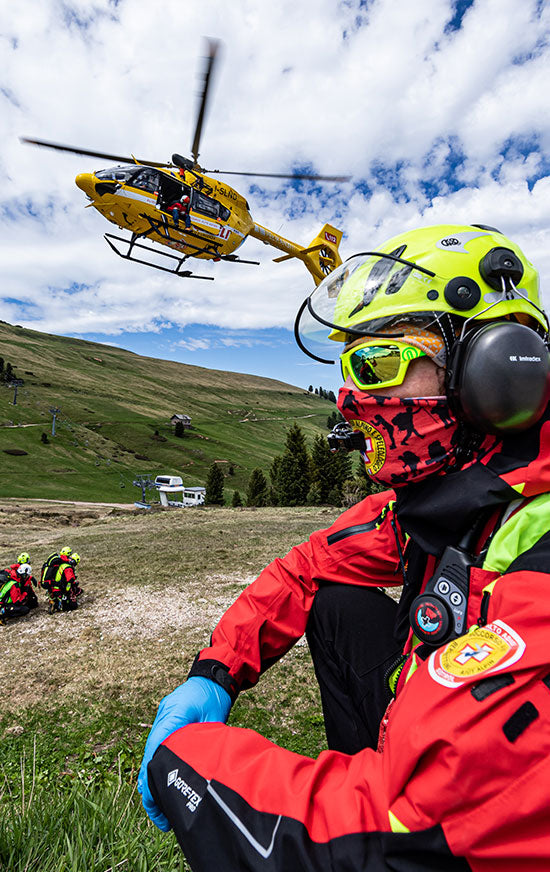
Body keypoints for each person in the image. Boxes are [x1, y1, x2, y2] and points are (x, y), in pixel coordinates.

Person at [139, 224, 550, 870]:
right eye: (350, 368)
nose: (353, 399)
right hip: (429, 716)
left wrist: (184, 762)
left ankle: (386, 768)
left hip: (464, 812)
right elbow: (307, 568)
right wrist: (214, 673)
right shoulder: (443, 497)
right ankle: (382, 755)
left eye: (377, 364)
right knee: (335, 604)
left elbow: (411, 834)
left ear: (494, 369)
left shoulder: (536, 554)